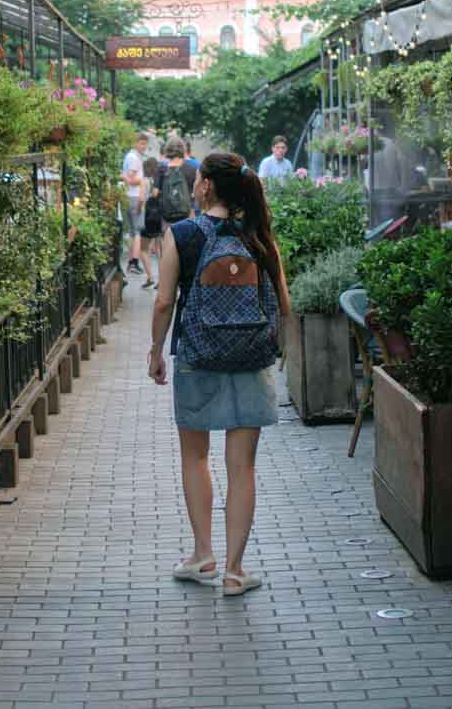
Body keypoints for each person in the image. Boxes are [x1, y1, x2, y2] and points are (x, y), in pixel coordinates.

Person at [148, 152, 291, 598]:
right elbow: (285, 305)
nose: (193, 185)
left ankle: (202, 554)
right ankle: (234, 571)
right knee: (242, 466)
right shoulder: (259, 237)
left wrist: (156, 351)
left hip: (197, 356)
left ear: (206, 185)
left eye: (198, 180)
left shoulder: (184, 234)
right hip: (251, 359)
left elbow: (164, 302)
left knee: (195, 457)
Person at [122, 132, 148, 274]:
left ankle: (131, 262)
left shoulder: (129, 156)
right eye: (142, 143)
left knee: (132, 232)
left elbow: (125, 176)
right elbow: (130, 179)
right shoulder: (134, 158)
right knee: (137, 232)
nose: (144, 146)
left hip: (128, 196)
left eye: (145, 144)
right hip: (135, 196)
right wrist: (142, 182)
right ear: (135, 143)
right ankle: (134, 262)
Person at [158, 136, 196, 227]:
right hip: (187, 214)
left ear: (167, 150)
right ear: (183, 150)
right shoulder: (191, 169)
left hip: (167, 215)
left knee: (168, 239)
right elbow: (196, 193)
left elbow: (155, 192)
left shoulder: (161, 169)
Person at [139, 158, 162, 289]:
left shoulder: (144, 180)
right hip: (158, 217)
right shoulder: (157, 181)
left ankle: (150, 277)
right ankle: (161, 279)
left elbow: (142, 198)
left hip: (146, 217)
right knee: (160, 251)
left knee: (143, 249)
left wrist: (137, 209)